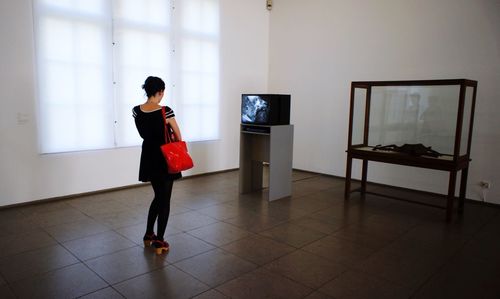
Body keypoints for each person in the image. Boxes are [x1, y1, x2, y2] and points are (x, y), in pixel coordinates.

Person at [132, 76, 182, 255]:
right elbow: (177, 135)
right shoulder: (165, 111)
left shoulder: (136, 111)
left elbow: (143, 134)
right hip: (165, 157)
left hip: (148, 156)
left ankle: (148, 235)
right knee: (164, 200)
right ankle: (160, 241)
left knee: (157, 196)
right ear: (160, 92)